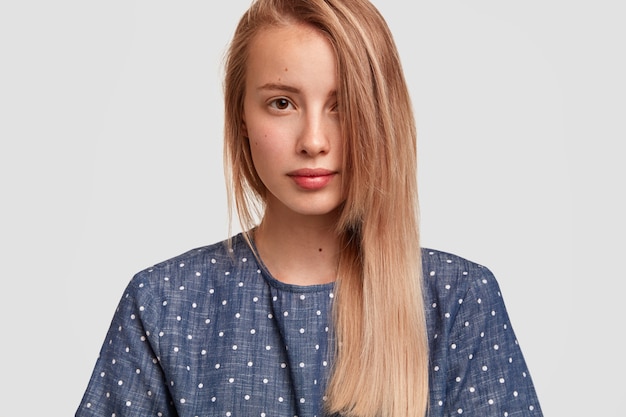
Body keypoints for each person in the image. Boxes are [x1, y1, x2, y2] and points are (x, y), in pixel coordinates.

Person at [75, 0, 543, 416]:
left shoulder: (459, 302)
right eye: (282, 103)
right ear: (241, 117)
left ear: (382, 116)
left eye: (343, 106)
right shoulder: (164, 304)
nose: (314, 141)